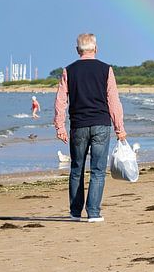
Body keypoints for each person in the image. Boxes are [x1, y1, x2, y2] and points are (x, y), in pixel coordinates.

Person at [54, 33, 126, 223]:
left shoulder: (68, 70)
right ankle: (93, 212)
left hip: (78, 125)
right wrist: (120, 128)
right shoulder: (106, 69)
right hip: (101, 124)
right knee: (98, 170)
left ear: (78, 50)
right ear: (96, 48)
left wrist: (60, 126)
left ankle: (75, 212)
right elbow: (114, 101)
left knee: (76, 168)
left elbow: (61, 101)